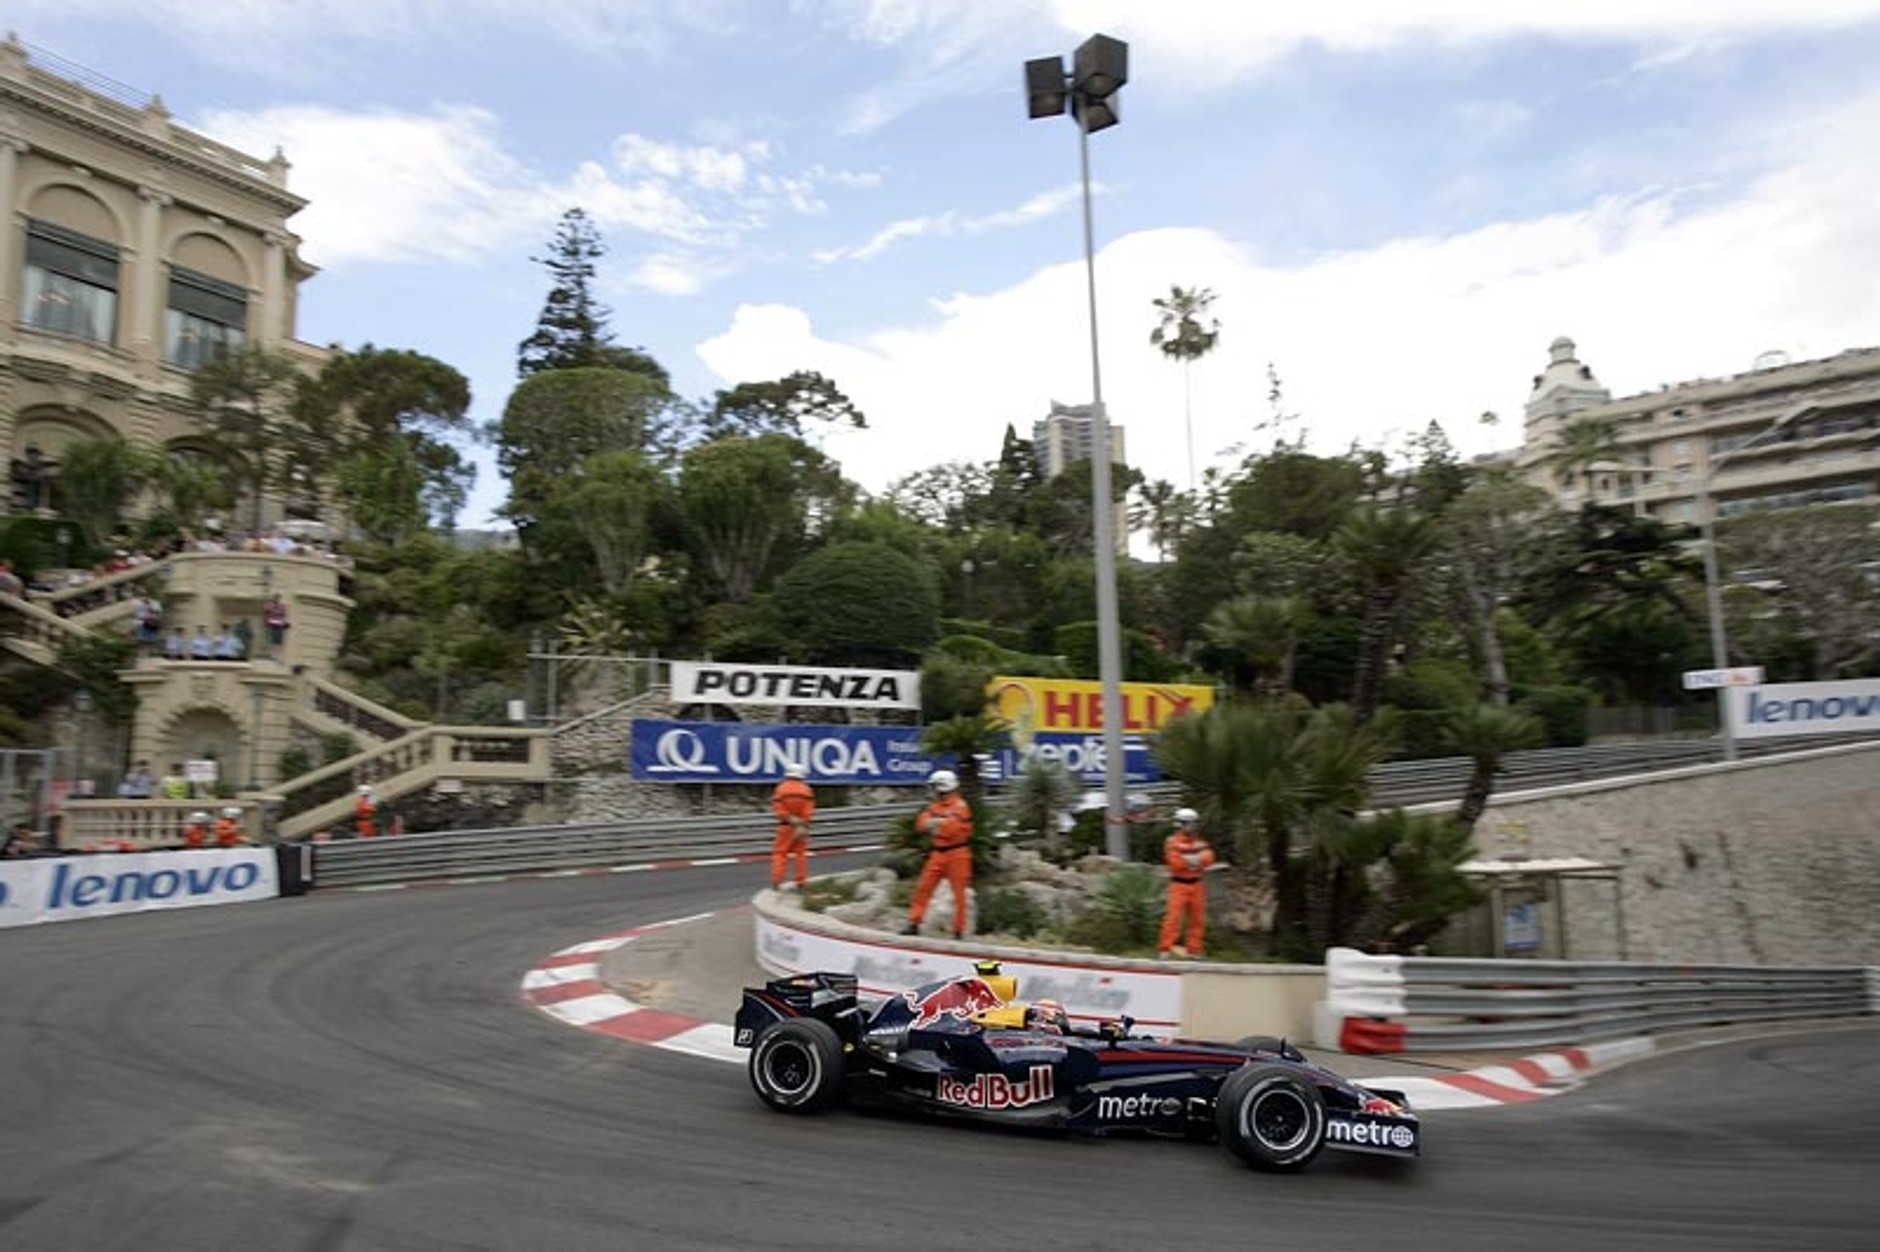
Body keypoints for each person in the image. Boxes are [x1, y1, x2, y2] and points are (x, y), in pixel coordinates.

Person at [903, 769, 974, 940]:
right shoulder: (935, 806)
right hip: (938, 853)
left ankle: (959, 931)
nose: (933, 790)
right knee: (923, 887)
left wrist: (934, 823)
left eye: (935, 787)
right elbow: (921, 824)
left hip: (958, 853)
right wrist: (939, 823)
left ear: (943, 787)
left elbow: (951, 829)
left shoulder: (961, 806)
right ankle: (914, 923)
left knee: (959, 895)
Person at [1159, 807, 1220, 960]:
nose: (1192, 827)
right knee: (1173, 918)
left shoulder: (1200, 842)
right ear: (1180, 824)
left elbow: (1210, 858)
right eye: (1188, 823)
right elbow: (1175, 863)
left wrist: (1189, 860)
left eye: (1194, 823)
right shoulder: (1172, 842)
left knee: (1197, 919)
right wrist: (1196, 859)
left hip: (1197, 884)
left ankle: (1194, 951)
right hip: (1178, 885)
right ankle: (1165, 950)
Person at [769, 762, 815, 892]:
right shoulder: (807, 790)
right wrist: (802, 825)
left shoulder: (780, 788)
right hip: (801, 827)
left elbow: (778, 810)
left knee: (780, 854)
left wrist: (790, 819)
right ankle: (801, 882)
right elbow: (808, 811)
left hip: (785, 826)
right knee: (800, 854)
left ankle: (777, 881)